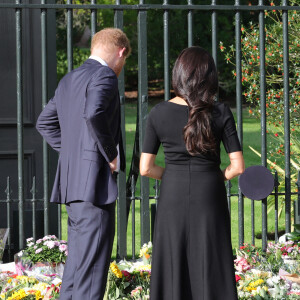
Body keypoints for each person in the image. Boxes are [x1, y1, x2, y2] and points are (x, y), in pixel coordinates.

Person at [140, 46, 245, 300]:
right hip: (209, 189)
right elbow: (238, 166)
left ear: (179, 74)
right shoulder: (220, 112)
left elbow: (145, 168)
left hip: (172, 190)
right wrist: (217, 176)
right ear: (210, 77)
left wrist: (171, 175)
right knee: (211, 255)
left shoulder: (158, 112)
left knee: (173, 254)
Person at [36, 28, 131, 300]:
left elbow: (44, 122)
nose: (122, 68)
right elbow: (93, 112)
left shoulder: (70, 79)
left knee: (77, 271)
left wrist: (75, 154)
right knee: (92, 275)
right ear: (121, 51)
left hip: (73, 189)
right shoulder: (105, 75)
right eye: (124, 61)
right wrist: (110, 154)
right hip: (95, 189)